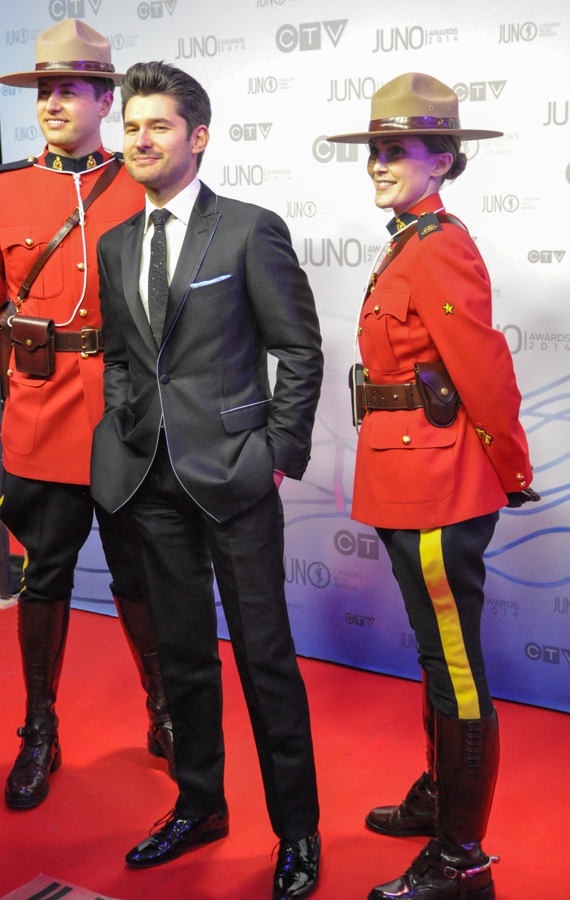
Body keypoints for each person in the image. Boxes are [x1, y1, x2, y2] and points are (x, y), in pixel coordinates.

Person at [91, 61, 323, 900]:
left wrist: (273, 453)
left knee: (266, 660)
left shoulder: (247, 230)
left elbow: (298, 349)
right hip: (148, 480)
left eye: (157, 126)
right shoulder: (116, 244)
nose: (140, 140)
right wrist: (126, 431)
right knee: (183, 657)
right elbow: (123, 358)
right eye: (131, 127)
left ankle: (297, 831)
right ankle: (199, 805)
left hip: (233, 477)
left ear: (198, 137)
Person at [0, 20, 174, 812]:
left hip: (125, 420)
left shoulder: (139, 187)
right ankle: (39, 728)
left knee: (138, 574)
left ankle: (163, 710)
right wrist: (32, 360)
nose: (52, 102)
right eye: (43, 89)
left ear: (105, 100)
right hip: (43, 420)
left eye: (69, 89)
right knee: (44, 576)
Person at [327, 72, 537, 900]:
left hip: (439, 485)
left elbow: (483, 370)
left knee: (453, 663)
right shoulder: (406, 237)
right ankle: (440, 795)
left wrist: (509, 468)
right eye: (374, 149)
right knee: (432, 652)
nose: (378, 162)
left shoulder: (439, 242)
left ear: (442, 159)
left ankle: (462, 857)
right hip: (403, 474)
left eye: (396, 150)